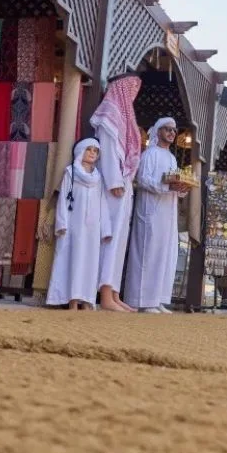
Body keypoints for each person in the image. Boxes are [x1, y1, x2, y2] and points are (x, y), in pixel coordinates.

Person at [124, 117, 190, 314]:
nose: (171, 133)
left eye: (174, 130)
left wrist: (181, 188)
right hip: (150, 211)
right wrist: (166, 187)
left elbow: (173, 184)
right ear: (158, 131)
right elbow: (143, 179)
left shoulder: (172, 158)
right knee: (148, 254)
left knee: (165, 254)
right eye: (167, 129)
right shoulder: (149, 154)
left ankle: (159, 298)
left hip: (168, 213)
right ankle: (142, 300)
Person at [90, 72, 142, 313]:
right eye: (131, 87)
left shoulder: (125, 114)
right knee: (109, 237)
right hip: (113, 186)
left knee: (120, 240)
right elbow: (108, 149)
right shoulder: (110, 111)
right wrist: (114, 180)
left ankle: (114, 292)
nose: (134, 92)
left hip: (124, 184)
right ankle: (104, 294)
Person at [48, 139, 112, 310]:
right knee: (73, 260)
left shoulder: (98, 178)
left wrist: (106, 229)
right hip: (73, 225)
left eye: (95, 151)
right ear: (80, 151)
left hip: (92, 228)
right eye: (89, 149)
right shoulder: (71, 173)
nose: (92, 153)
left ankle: (86, 300)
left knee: (89, 262)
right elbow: (63, 200)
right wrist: (62, 223)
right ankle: (72, 301)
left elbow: (103, 203)